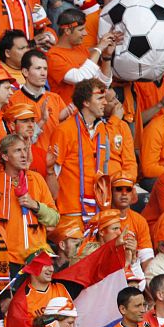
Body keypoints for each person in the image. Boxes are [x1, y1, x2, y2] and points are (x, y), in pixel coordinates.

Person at [0, 134, 58, 267]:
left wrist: (35, 205)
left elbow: (54, 218)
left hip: (37, 257)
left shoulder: (37, 179)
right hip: (4, 259)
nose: (24, 155)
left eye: (24, 150)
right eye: (18, 151)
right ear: (5, 156)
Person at [48, 79, 111, 236]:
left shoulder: (102, 130)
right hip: (71, 212)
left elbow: (105, 168)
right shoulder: (64, 130)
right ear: (86, 102)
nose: (105, 102)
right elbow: (53, 173)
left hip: (97, 211)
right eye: (99, 98)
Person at [46, 9, 114, 105]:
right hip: (67, 116)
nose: (85, 33)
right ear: (67, 30)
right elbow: (79, 79)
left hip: (87, 114)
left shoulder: (81, 49)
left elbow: (102, 83)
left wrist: (107, 57)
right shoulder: (53, 56)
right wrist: (99, 48)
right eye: (81, 29)